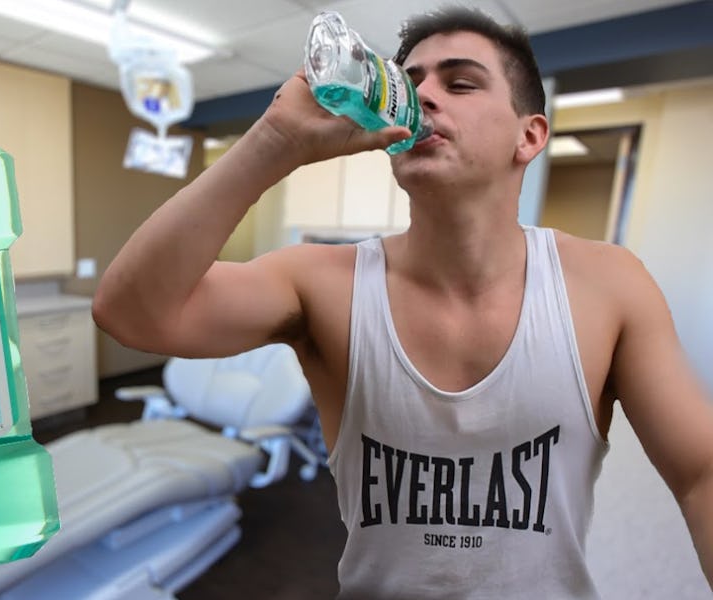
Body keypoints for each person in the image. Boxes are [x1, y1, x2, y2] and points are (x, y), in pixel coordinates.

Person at [92, 6, 713, 599]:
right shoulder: (321, 281)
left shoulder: (608, 283)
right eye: (411, 82)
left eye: (460, 83)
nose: (426, 96)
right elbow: (130, 314)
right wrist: (276, 139)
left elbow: (700, 475)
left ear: (529, 137)